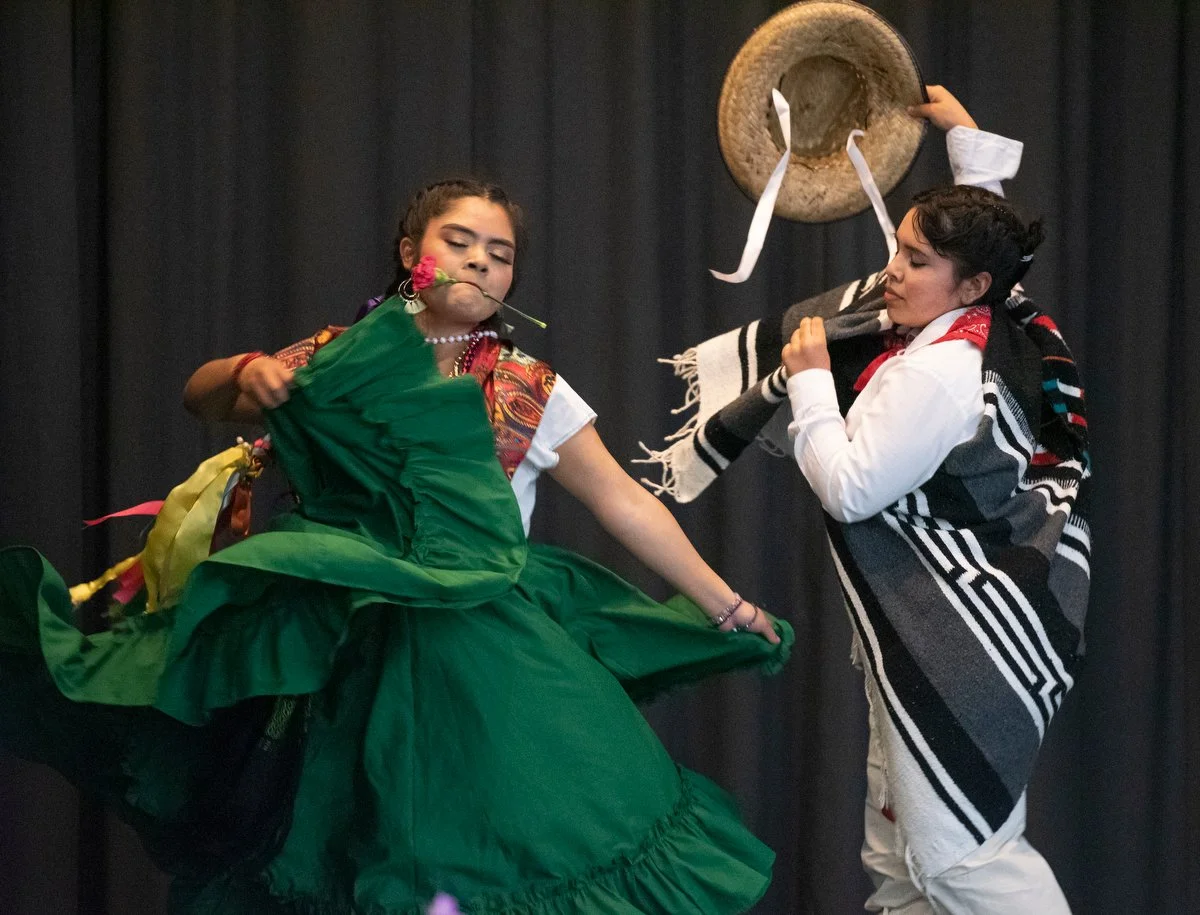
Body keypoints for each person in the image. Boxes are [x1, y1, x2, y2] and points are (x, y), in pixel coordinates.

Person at [0, 178, 791, 914]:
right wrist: (248, 369)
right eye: (460, 240)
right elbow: (204, 394)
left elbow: (624, 500)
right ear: (414, 252)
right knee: (344, 853)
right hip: (340, 652)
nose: (481, 258)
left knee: (491, 852)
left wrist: (725, 603)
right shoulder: (337, 359)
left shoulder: (525, 385)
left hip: (480, 657)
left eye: (501, 251)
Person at [644, 89, 1090, 913]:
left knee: (956, 857)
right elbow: (983, 237)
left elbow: (850, 490)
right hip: (928, 632)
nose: (893, 270)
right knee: (896, 854)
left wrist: (811, 384)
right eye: (902, 249)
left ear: (970, 285)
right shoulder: (979, 318)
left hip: (956, 634)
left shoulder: (935, 372)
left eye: (917, 261)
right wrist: (967, 144)